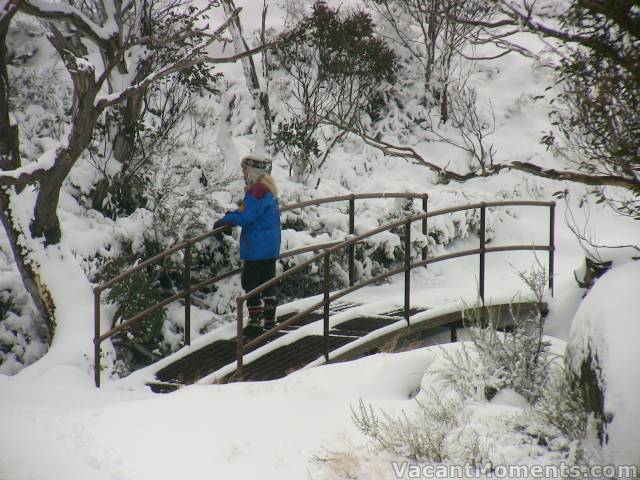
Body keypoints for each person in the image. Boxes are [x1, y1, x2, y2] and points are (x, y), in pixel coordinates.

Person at [214, 155, 281, 338]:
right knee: (267, 282)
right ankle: (269, 319)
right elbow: (248, 210)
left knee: (250, 283)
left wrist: (225, 220)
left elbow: (247, 216)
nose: (243, 174)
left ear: (253, 171)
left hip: (257, 248)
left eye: (245, 170)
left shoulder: (257, 191)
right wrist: (233, 214)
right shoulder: (268, 188)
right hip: (270, 246)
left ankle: (255, 321)